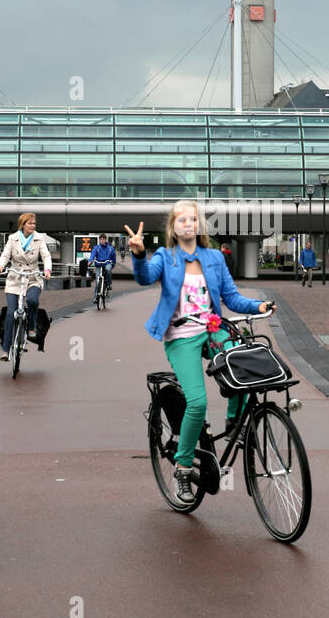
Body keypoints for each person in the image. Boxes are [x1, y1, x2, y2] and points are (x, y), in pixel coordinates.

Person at [126, 201, 271, 505]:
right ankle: (182, 466)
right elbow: (145, 277)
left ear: (200, 225)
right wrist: (139, 254)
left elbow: (230, 297)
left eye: (193, 218)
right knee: (197, 402)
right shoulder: (167, 257)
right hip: (181, 335)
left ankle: (234, 425)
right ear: (173, 227)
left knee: (246, 367)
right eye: (182, 219)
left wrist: (257, 306)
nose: (188, 223)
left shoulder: (214, 257)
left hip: (213, 329)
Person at [0, 213, 53, 359]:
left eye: (34, 224)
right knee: (10, 314)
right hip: (15, 278)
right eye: (30, 223)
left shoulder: (39, 238)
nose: (33, 226)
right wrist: (0, 265)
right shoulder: (12, 238)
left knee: (33, 300)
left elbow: (46, 256)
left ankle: (32, 327)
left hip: (33, 277)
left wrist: (47, 269)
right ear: (23, 224)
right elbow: (5, 254)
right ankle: (5, 350)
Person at [87, 233, 117, 301]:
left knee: (108, 269)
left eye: (103, 239)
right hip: (98, 264)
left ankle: (109, 284)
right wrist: (90, 261)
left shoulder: (110, 248)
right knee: (98, 281)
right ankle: (95, 298)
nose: (102, 241)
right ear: (99, 240)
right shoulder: (96, 247)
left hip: (107, 263)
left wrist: (113, 264)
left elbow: (113, 257)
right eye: (101, 239)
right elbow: (93, 254)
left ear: (105, 240)